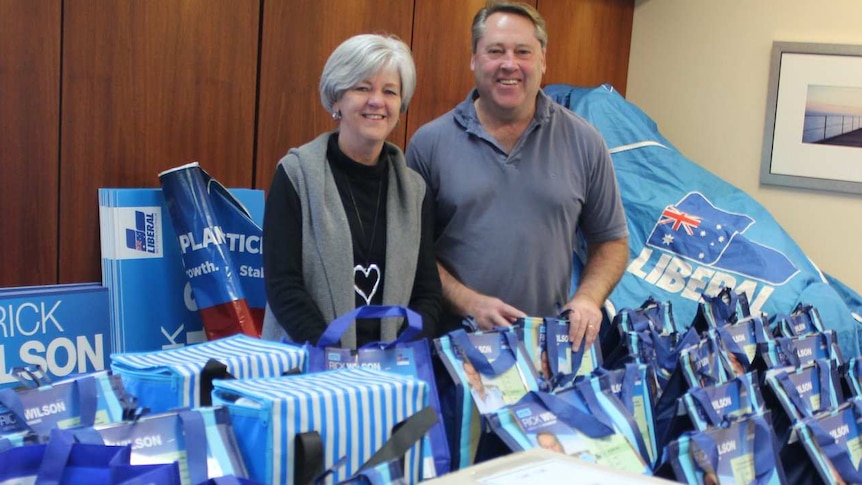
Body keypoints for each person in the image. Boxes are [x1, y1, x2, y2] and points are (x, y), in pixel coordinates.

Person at [405, 1, 629, 351]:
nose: (509, 64)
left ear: (542, 60)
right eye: (495, 51)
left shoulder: (585, 141)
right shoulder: (429, 144)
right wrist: (469, 302)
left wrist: (587, 298)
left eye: (522, 51)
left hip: (546, 352)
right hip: (453, 352)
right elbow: (411, 253)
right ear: (474, 59)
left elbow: (611, 242)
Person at [261, 34, 441, 349]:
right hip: (309, 365)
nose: (377, 101)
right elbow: (283, 287)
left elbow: (427, 293)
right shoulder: (295, 175)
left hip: (389, 371)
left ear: (400, 105)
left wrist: (400, 352)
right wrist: (337, 359)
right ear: (336, 100)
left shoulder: (415, 191)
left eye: (390, 91)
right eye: (362, 88)